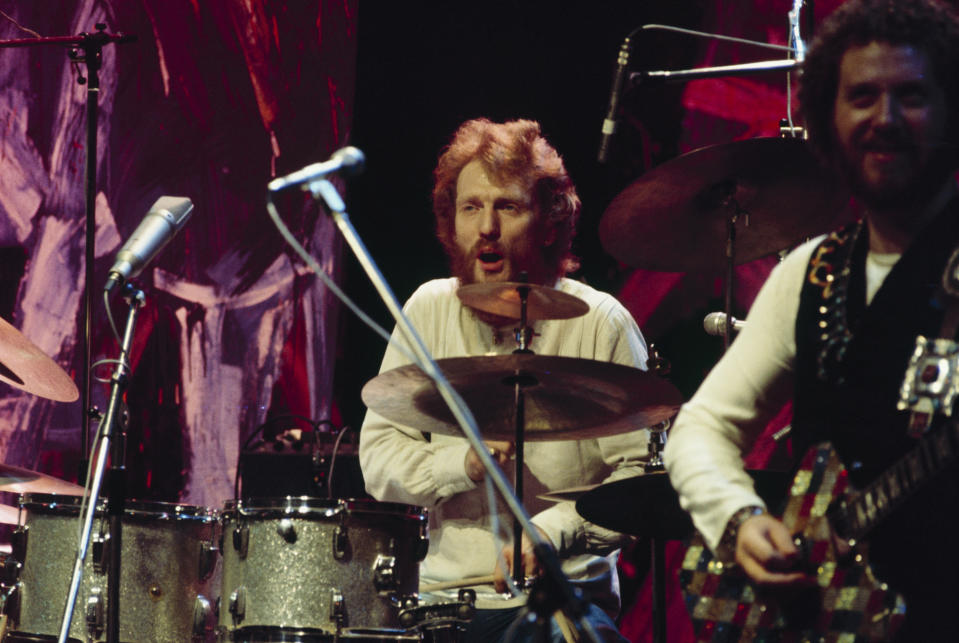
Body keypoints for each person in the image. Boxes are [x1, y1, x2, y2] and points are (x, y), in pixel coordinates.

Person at [663, 0, 959, 639]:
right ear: (828, 118)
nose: (884, 119)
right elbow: (701, 428)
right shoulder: (809, 274)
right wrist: (740, 522)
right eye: (861, 96)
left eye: (911, 95)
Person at [359, 118, 651, 643]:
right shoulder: (428, 310)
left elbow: (638, 483)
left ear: (547, 222)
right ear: (452, 223)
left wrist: (551, 533)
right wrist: (460, 465)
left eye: (507, 207)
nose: (486, 228)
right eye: (471, 208)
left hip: (565, 601)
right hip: (441, 601)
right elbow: (378, 458)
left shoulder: (601, 322)